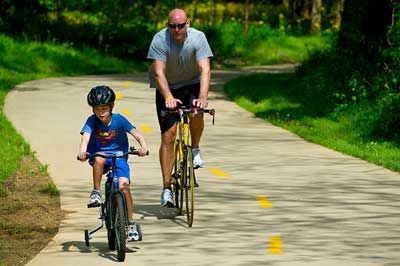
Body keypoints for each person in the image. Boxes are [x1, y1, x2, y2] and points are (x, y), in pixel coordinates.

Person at [147, 8, 213, 207]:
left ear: (188, 24)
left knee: (196, 112)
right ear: (168, 25)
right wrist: (167, 96)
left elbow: (205, 69)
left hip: (192, 83)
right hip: (168, 86)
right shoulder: (160, 40)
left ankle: (195, 148)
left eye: (180, 25)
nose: (177, 29)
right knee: (169, 135)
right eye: (172, 26)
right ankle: (167, 188)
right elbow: (159, 73)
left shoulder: (198, 38)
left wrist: (202, 97)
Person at [77, 85, 148, 241]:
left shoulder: (120, 120)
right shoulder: (92, 121)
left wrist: (143, 146)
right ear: (93, 110)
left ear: (112, 106)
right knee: (100, 158)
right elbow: (86, 138)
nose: (101, 112)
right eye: (97, 109)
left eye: (104, 108)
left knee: (125, 188)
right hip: (99, 156)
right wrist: (82, 152)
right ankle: (96, 191)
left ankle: (129, 224)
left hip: (119, 157)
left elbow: (136, 133)